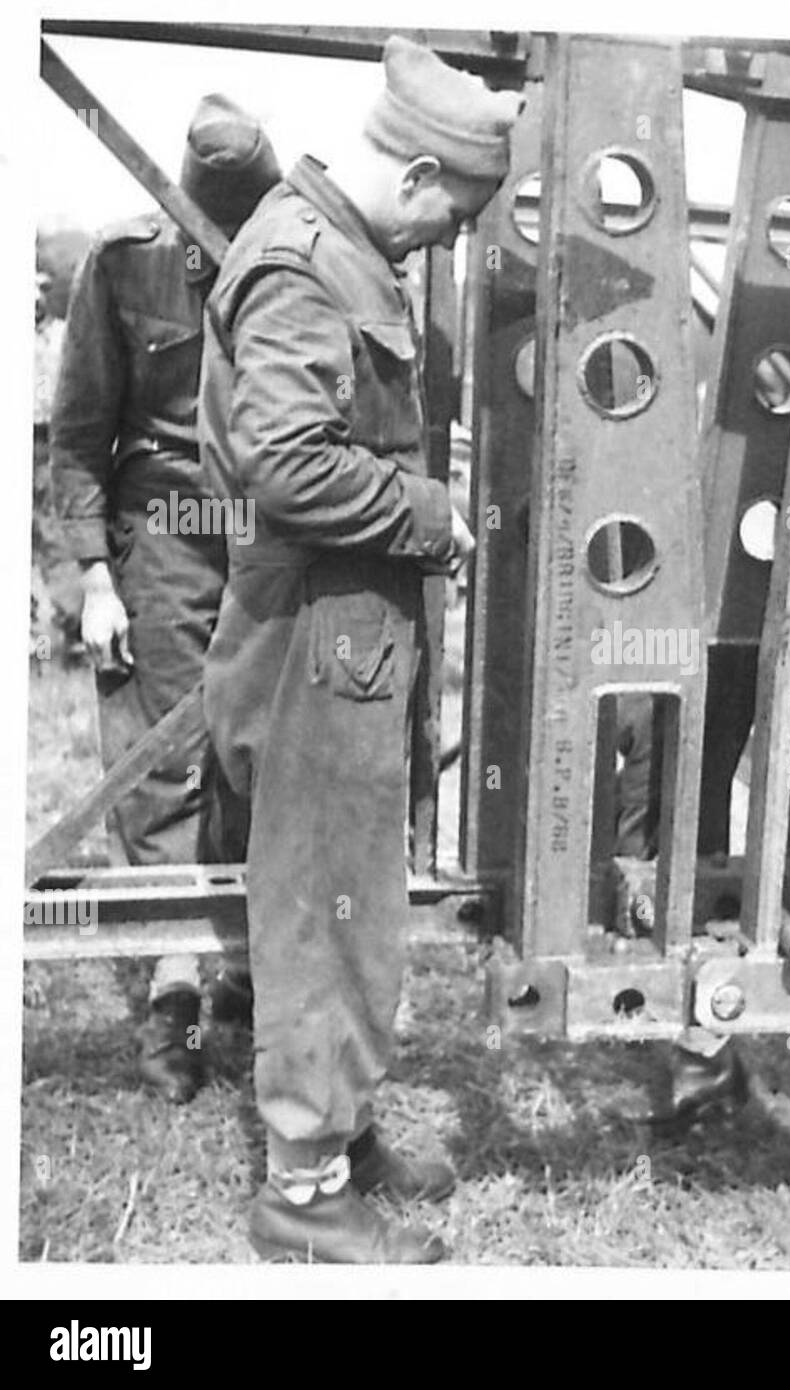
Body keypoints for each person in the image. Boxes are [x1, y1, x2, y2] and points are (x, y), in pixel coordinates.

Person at [199, 37, 518, 1263]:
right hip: (312, 634)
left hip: (350, 627)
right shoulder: (300, 263)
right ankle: (304, 1187)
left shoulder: (339, 251)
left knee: (353, 892)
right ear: (423, 172)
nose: (447, 239)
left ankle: (344, 1132)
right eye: (455, 215)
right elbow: (288, 463)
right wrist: (436, 518)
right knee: (320, 903)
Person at [50, 96, 281, 1102]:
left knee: (263, 752)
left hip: (269, 529)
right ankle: (173, 992)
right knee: (162, 757)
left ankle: (246, 970)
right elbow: (79, 429)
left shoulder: (296, 258)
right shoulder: (125, 259)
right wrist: (92, 575)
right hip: (168, 532)